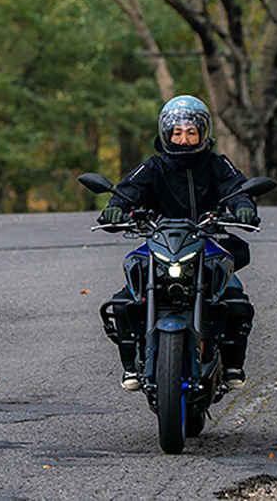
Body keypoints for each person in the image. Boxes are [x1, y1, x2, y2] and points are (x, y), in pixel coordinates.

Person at [96, 95, 259, 391]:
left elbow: (236, 188)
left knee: (235, 302)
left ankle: (233, 365)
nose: (184, 139)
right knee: (123, 302)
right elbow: (129, 190)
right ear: (167, 134)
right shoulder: (154, 167)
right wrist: (115, 207)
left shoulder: (218, 165)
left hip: (207, 240)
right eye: (178, 133)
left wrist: (242, 205)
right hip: (161, 242)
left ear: (202, 134)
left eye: (191, 132)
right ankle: (132, 366)